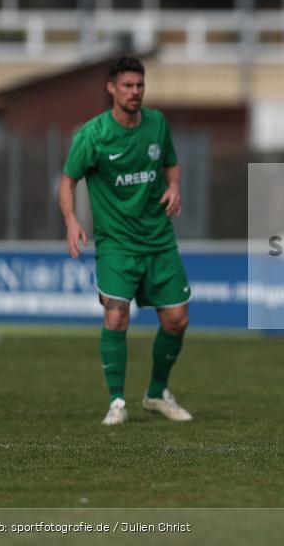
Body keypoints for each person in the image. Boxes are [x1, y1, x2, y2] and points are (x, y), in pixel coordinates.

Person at [58, 56, 192, 425]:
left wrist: (175, 186)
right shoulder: (93, 135)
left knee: (177, 320)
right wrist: (71, 220)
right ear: (112, 88)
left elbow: (171, 163)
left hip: (158, 239)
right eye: (128, 86)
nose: (135, 92)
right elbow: (68, 181)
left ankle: (156, 393)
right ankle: (117, 401)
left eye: (140, 85)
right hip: (116, 243)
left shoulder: (157, 124)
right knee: (116, 315)